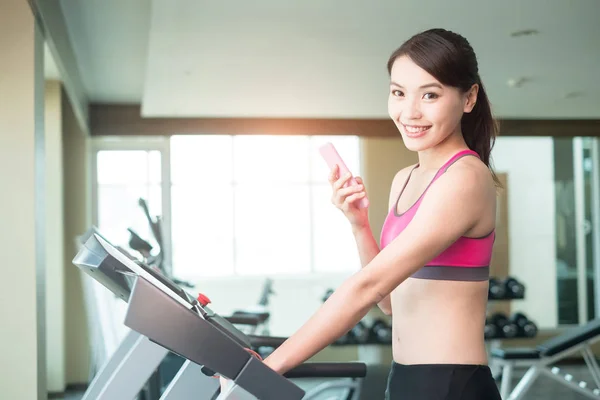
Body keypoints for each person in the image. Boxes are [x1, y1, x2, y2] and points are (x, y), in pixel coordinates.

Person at [222, 28, 503, 399]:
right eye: (398, 93)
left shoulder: (466, 177)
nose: (409, 112)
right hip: (405, 379)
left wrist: (268, 366)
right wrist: (358, 224)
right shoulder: (406, 179)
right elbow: (388, 301)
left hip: (451, 384)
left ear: (468, 98)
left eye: (430, 95)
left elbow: (369, 286)